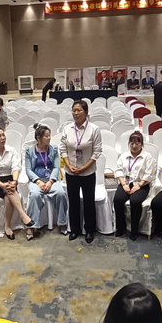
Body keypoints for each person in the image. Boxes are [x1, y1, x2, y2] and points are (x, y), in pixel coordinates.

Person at [59, 100, 103, 244]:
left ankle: (89, 230)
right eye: (74, 110)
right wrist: (68, 165)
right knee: (73, 201)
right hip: (71, 171)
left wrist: (85, 167)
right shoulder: (67, 128)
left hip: (87, 172)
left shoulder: (94, 129)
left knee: (89, 201)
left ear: (86, 112)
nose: (76, 113)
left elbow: (97, 152)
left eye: (79, 110)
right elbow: (63, 149)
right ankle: (75, 229)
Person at [0, 127, 34, 240]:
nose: (2, 138)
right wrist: (2, 185)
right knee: (9, 191)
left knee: (8, 194)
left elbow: (15, 167)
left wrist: (14, 181)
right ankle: (23, 215)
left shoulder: (11, 150)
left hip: (10, 179)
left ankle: (7, 226)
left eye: (3, 135)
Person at [24, 124, 68, 240]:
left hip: (51, 180)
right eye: (46, 136)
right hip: (36, 181)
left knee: (60, 193)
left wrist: (50, 181)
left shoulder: (54, 150)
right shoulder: (29, 151)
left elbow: (56, 167)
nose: (49, 138)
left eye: (49, 136)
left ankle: (62, 222)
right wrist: (38, 181)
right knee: (35, 195)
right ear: (38, 138)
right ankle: (32, 225)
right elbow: (28, 169)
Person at [113, 132, 157, 240]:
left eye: (137, 143)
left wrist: (139, 185)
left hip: (142, 184)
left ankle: (134, 230)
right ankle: (121, 228)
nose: (134, 146)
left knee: (135, 201)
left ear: (142, 144)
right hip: (126, 182)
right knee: (118, 200)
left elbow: (149, 174)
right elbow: (118, 170)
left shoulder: (147, 157)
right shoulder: (124, 156)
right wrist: (124, 184)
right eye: (132, 143)